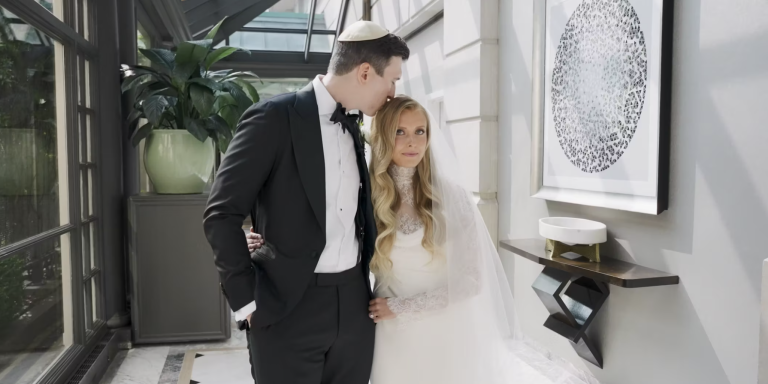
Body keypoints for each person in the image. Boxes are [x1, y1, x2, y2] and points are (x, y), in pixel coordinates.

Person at [247, 96, 602, 384]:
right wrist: (263, 241)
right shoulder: (362, 197)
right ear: (384, 135)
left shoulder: (454, 198)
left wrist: (401, 309)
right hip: (388, 339)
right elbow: (320, 234)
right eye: (401, 132)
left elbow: (471, 281)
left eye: (420, 131)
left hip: (443, 330)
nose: (413, 141)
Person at [202, 21, 409, 384]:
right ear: (364, 72)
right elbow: (221, 213)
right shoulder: (272, 119)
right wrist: (245, 299)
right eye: (391, 79)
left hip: (355, 308)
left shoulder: (358, 128)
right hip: (285, 309)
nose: (393, 91)